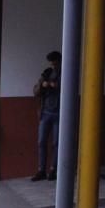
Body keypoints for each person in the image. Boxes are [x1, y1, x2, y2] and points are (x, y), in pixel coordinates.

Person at [31, 50, 61, 181]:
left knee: (57, 143)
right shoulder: (47, 72)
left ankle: (54, 169)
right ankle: (41, 170)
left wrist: (56, 85)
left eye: (55, 63)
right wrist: (43, 85)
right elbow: (36, 91)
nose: (54, 66)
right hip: (46, 113)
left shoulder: (65, 72)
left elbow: (68, 87)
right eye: (52, 64)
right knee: (41, 141)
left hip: (59, 113)